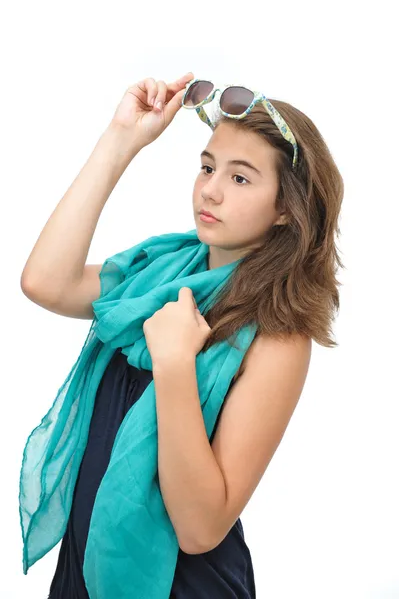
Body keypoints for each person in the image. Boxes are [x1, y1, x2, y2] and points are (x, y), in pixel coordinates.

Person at [20, 71, 344, 598]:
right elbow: (45, 282)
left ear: (287, 207)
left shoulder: (279, 335)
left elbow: (200, 528)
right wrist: (120, 141)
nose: (210, 189)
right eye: (207, 167)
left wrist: (174, 367)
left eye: (241, 179)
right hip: (85, 571)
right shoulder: (161, 272)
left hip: (182, 585)